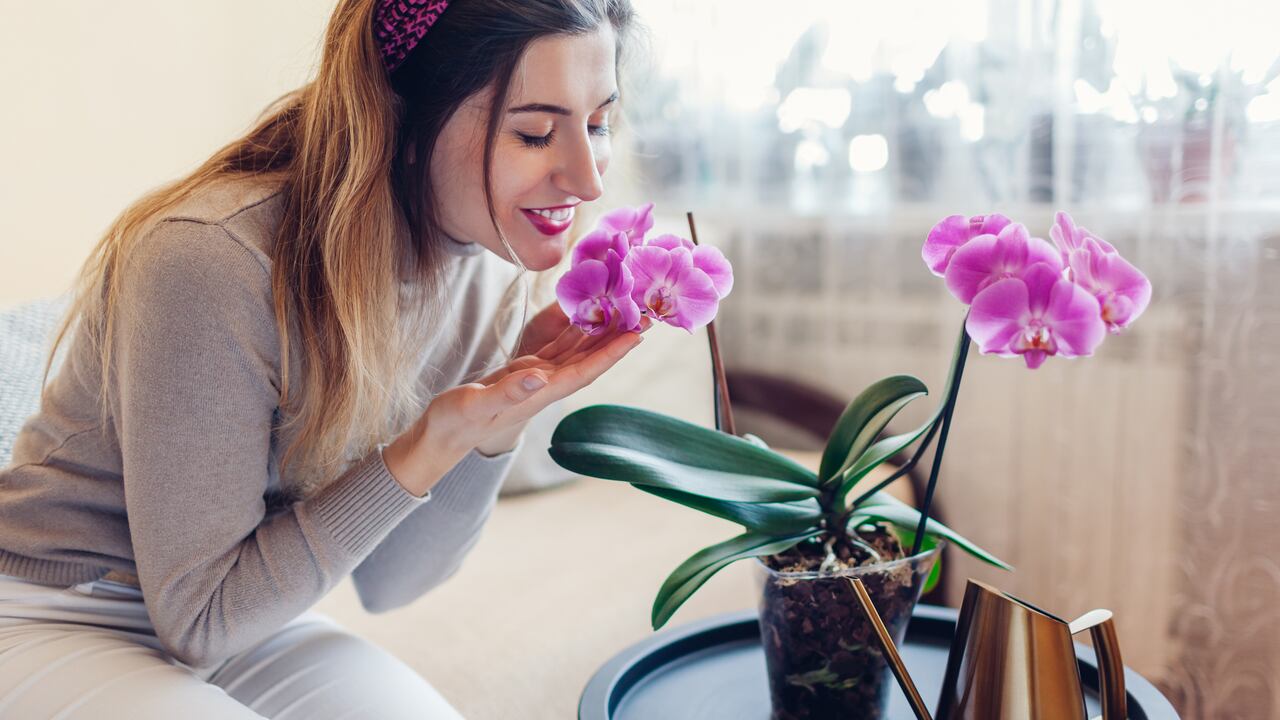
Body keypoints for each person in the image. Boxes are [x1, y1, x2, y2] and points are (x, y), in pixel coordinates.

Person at [0, 0, 639, 717]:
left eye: (597, 124)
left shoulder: (486, 271)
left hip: (251, 613)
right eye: (534, 133)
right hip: (57, 607)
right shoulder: (213, 258)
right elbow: (200, 620)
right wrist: (431, 438)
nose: (587, 180)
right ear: (403, 120)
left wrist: (492, 428)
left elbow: (394, 585)